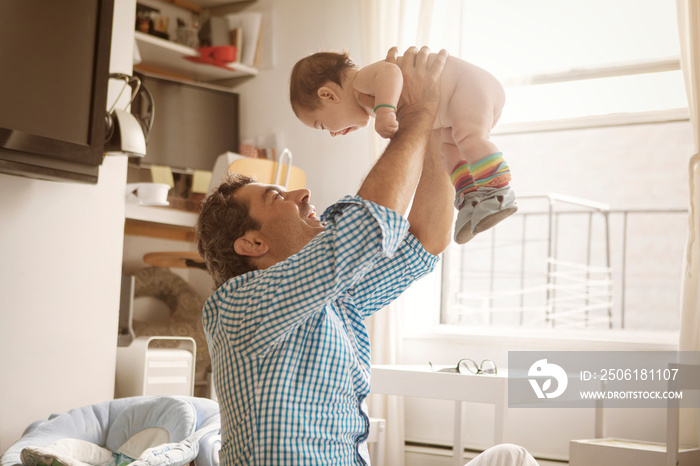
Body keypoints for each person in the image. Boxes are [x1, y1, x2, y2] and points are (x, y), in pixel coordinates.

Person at [197, 46, 538, 465]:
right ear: (251, 244)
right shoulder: (237, 306)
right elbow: (367, 227)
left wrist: (433, 119)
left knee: (510, 457)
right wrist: (416, 116)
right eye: (276, 197)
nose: (303, 194)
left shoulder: (336, 301)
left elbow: (425, 240)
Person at [290, 49, 516, 244]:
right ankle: (470, 200)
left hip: (468, 86)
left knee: (469, 138)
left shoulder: (362, 80)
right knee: (449, 151)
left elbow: (391, 73)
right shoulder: (367, 94)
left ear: (328, 95)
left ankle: (498, 192)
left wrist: (385, 110)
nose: (332, 134)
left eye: (321, 125)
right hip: (455, 106)